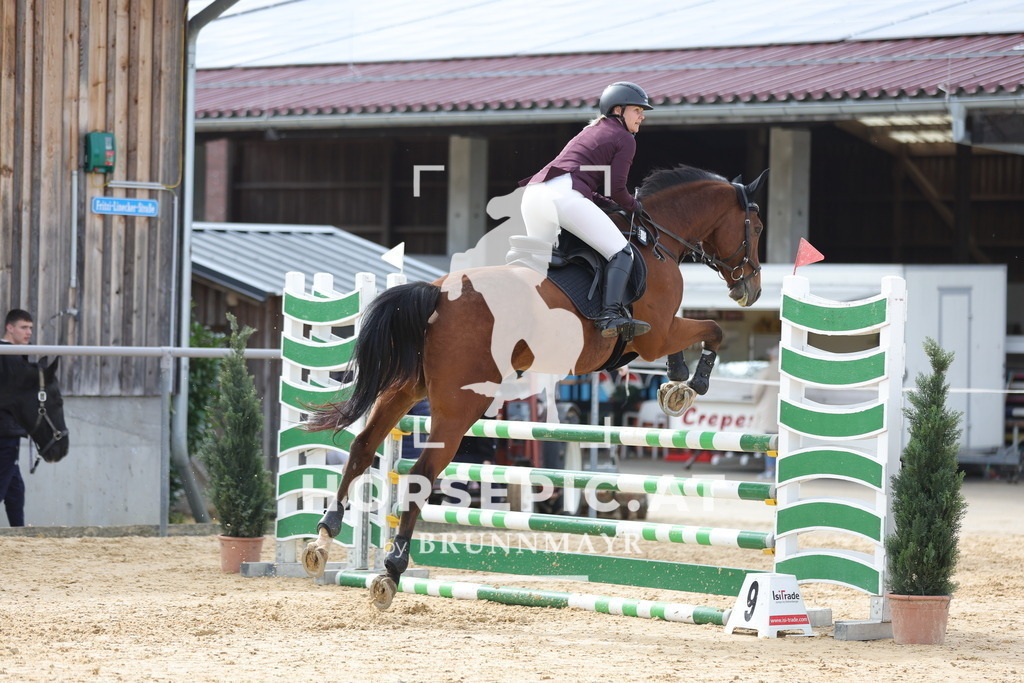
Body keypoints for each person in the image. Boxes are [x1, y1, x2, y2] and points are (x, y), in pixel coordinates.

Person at [519, 81, 654, 339]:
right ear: (618, 110)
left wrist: (604, 202)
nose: (642, 116)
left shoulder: (591, 131)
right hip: (562, 196)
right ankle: (609, 315)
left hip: (535, 194)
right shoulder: (625, 138)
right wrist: (634, 205)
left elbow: (575, 174)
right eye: (637, 110)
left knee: (547, 263)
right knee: (622, 253)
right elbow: (617, 188)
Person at [1, 308, 33, 526]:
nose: (28, 332)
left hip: (9, 430)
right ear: (9, 328)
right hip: (5, 432)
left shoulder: (14, 354)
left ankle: (19, 535)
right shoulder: (8, 355)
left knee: (15, 489)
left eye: (30, 328)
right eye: (23, 327)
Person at [752, 345, 780, 480]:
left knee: (769, 443)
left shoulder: (768, 370)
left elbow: (757, 391)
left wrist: (757, 403)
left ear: (772, 356)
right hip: (785, 412)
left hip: (769, 412)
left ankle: (770, 470)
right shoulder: (791, 370)